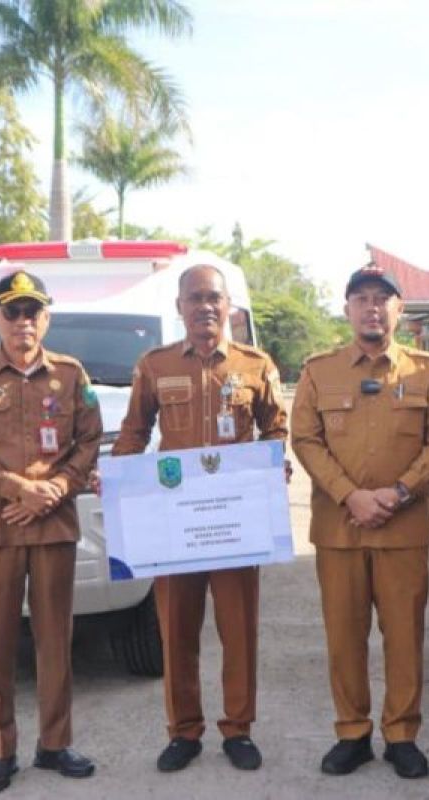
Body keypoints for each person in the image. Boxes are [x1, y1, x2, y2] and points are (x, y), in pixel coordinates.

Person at [111, 264, 288, 773]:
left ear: (229, 306)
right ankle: (184, 731)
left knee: (239, 631)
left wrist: (273, 461)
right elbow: (134, 434)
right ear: (180, 308)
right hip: (175, 526)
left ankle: (238, 729)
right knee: (177, 631)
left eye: (214, 298)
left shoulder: (256, 365)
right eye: (195, 298)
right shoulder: (155, 365)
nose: (205, 307)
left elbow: (276, 427)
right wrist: (121, 480)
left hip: (235, 525)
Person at [291, 263, 429, 779]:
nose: (371, 307)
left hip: (402, 530)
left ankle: (402, 734)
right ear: (347, 310)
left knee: (404, 635)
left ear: (398, 310)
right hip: (340, 529)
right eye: (361, 298)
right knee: (344, 635)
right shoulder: (320, 370)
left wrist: (401, 491)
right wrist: (350, 496)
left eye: (382, 298)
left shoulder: (425, 371)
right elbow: (306, 441)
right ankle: (352, 732)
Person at [0, 271, 101, 792]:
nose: (22, 322)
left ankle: (55, 744)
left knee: (56, 640)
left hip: (54, 525)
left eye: (32, 312)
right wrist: (17, 489)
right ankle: (0, 749)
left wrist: (55, 488)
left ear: (45, 319)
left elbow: (88, 441)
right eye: (12, 312)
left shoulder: (72, 375)